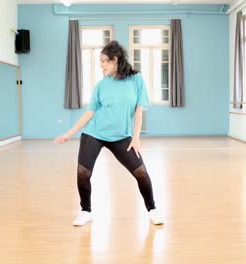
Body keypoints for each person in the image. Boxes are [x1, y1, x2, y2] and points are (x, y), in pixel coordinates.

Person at [54, 41, 164, 226]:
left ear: (115, 60)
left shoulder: (136, 80)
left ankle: (152, 209)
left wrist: (136, 138)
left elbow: (139, 111)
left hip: (121, 136)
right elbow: (90, 112)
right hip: (94, 133)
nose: (101, 65)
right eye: (100, 62)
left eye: (104, 61)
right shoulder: (101, 85)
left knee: (141, 172)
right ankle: (85, 211)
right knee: (83, 172)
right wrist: (69, 133)